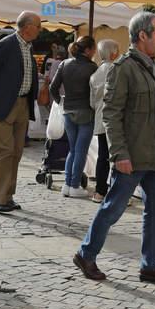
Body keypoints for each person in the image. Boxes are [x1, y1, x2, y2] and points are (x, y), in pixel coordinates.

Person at [73, 11, 155, 285]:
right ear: (142, 35)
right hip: (133, 154)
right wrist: (118, 154)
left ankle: (151, 265)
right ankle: (86, 254)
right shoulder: (123, 68)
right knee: (113, 208)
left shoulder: (154, 65)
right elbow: (110, 114)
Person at [0, 11, 42, 214]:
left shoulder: (28, 47)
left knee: (16, 152)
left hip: (22, 105)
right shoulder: (5, 45)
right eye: (38, 26)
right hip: (3, 105)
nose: (40, 30)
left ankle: (7, 196)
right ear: (27, 27)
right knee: (4, 152)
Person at [50, 36, 98, 199]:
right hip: (86, 111)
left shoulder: (64, 64)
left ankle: (67, 184)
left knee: (73, 149)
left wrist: (60, 102)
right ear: (88, 50)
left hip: (68, 111)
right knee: (80, 151)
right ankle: (75, 185)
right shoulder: (92, 67)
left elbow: (53, 88)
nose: (95, 51)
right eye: (94, 48)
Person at [89, 39, 120, 204]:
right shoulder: (117, 70)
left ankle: (100, 192)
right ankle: (117, 193)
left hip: (100, 118)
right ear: (113, 53)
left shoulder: (95, 74)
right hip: (116, 119)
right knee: (117, 156)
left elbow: (92, 103)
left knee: (103, 157)